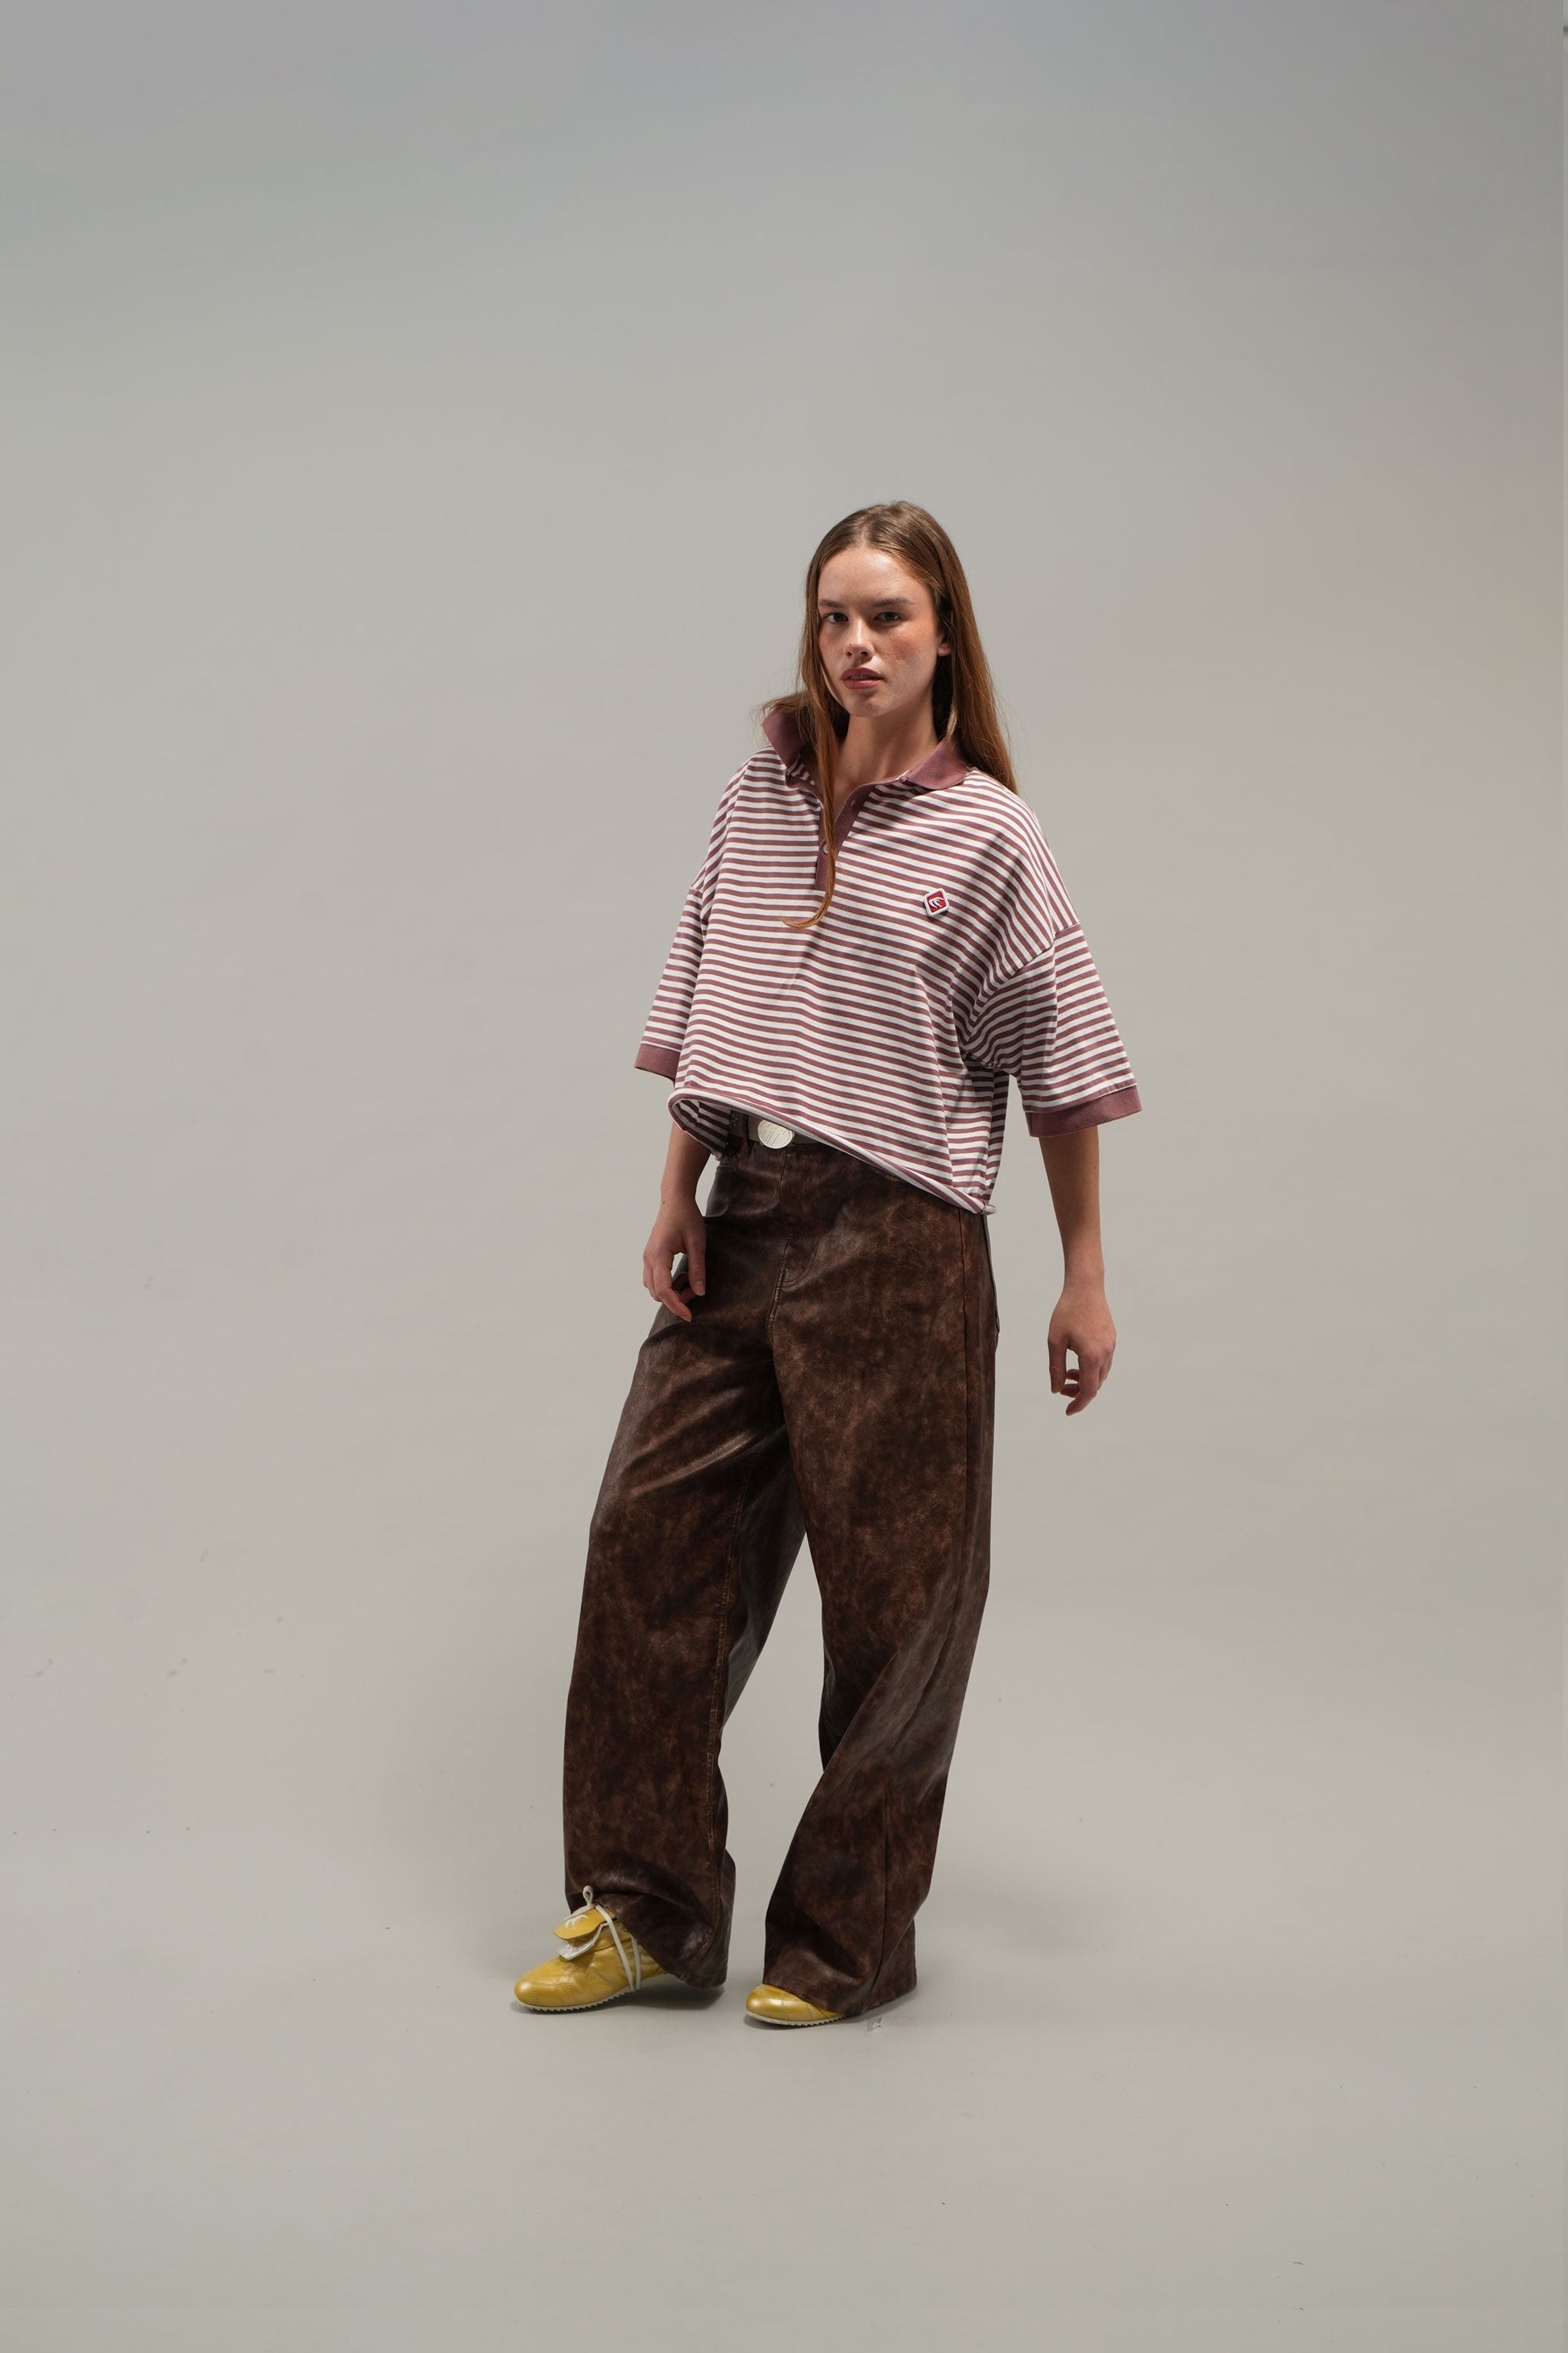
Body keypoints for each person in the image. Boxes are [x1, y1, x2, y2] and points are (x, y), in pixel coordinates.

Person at [512, 501, 1141, 2027]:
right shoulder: (761, 793)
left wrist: (1083, 1274)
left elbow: (1057, 1062)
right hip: (746, 1212)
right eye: (833, 618)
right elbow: (717, 989)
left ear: (944, 636)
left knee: (895, 1605)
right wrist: (678, 1186)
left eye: (887, 617)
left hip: (901, 1237)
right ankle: (648, 1916)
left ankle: (844, 1940)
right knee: (647, 1549)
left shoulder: (992, 835)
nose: (855, 645)